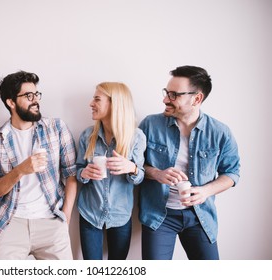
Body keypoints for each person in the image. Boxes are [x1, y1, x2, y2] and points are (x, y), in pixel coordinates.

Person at [138, 65, 241, 260]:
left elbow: (232, 173)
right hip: (159, 216)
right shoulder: (150, 125)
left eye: (174, 95)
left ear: (197, 98)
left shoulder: (220, 132)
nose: (165, 99)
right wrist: (156, 173)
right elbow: (134, 166)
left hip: (200, 217)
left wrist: (206, 191)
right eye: (166, 93)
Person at [0, 70, 77, 260]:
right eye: (28, 96)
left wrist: (64, 219)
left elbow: (71, 176)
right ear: (11, 102)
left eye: (36, 94)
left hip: (51, 219)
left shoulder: (56, 128)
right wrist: (19, 170)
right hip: (11, 222)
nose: (35, 100)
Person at [76, 82, 146, 260]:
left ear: (114, 103)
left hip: (120, 215)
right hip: (90, 214)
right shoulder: (87, 136)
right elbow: (77, 171)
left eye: (97, 99)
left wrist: (132, 168)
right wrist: (83, 174)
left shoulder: (136, 137)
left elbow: (140, 177)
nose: (91, 104)